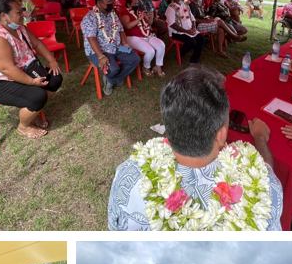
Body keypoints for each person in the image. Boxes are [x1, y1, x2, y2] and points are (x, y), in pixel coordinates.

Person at [109, 66, 283, 230]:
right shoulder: (264, 188)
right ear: (221, 135)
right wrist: (260, 138)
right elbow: (265, 174)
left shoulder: (128, 175)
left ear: (168, 125)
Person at [0, 0, 63, 139]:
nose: (23, 14)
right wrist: (31, 82)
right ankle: (24, 126)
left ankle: (32, 111)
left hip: (21, 72)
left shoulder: (20, 27)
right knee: (37, 95)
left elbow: (37, 44)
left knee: (55, 78)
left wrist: (51, 61)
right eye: (19, 12)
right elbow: (7, 69)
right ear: (4, 16)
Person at [82, 0, 140, 96]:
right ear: (99, 3)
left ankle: (111, 80)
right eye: (108, 2)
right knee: (113, 69)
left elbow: (121, 29)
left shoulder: (113, 15)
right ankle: (114, 77)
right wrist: (100, 57)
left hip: (117, 46)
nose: (111, 4)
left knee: (134, 59)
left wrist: (125, 42)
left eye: (111, 1)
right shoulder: (90, 18)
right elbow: (91, 39)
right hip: (99, 50)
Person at [120, 0, 166, 78]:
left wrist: (151, 17)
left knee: (161, 45)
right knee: (150, 51)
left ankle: (158, 66)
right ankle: (145, 67)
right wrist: (139, 19)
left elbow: (149, 23)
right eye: (134, 4)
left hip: (147, 35)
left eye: (137, 3)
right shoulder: (124, 12)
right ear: (128, 4)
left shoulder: (140, 11)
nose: (137, 5)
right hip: (133, 37)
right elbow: (128, 25)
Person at [164, 0, 204, 66]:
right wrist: (186, 31)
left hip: (189, 30)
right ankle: (179, 54)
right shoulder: (171, 8)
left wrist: (193, 27)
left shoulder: (186, 5)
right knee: (192, 42)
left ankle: (194, 60)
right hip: (177, 32)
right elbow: (172, 24)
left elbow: (192, 18)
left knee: (201, 38)